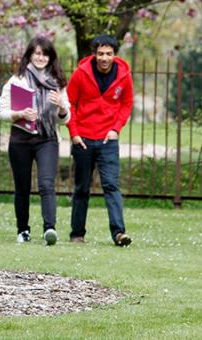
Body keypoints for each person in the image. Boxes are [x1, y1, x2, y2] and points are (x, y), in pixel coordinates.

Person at [0, 35, 71, 246]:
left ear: (50, 57)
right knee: (22, 187)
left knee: (47, 183)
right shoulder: (16, 80)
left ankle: (50, 228)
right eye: (37, 53)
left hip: (47, 139)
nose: (41, 57)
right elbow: (1, 111)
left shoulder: (57, 83)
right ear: (30, 54)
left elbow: (65, 119)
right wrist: (19, 113)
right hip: (20, 139)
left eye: (45, 54)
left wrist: (63, 107)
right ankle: (23, 230)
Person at [66, 34, 133, 247]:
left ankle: (119, 233)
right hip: (83, 139)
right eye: (101, 54)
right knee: (82, 188)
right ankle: (77, 234)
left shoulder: (124, 76)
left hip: (108, 140)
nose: (104, 58)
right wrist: (74, 133)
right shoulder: (80, 74)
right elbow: (70, 104)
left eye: (109, 54)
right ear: (94, 54)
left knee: (111, 185)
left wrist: (116, 129)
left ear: (115, 55)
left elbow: (126, 103)